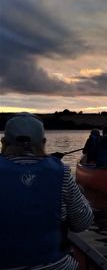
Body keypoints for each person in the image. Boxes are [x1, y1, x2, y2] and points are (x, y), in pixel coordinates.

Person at [0, 112, 93, 270]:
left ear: (3, 142)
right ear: (43, 142)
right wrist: (80, 196)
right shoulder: (62, 172)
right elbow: (82, 223)